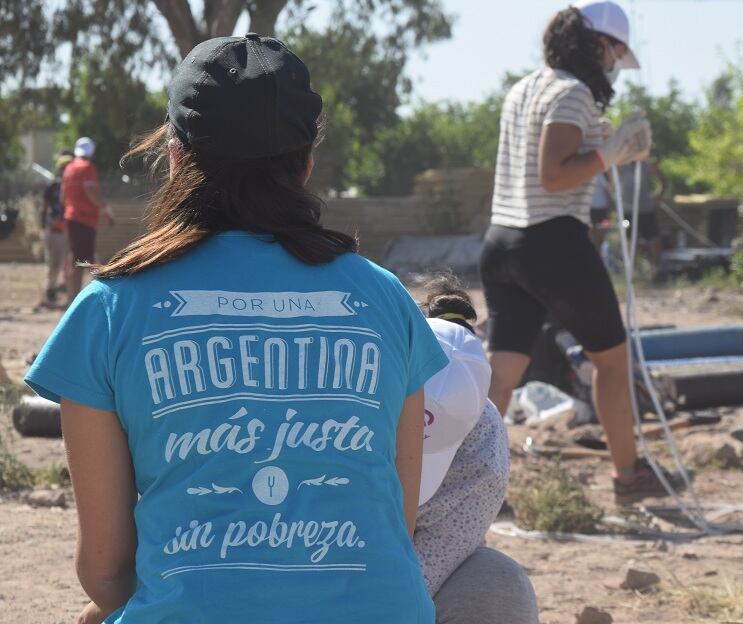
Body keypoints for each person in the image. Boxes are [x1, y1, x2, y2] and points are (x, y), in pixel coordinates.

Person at [25, 34, 447, 624]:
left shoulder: (109, 308)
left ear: (175, 157)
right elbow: (394, 527)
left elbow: (105, 569)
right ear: (305, 163)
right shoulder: (385, 300)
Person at [481, 0, 677, 505]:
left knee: (500, 377)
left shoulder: (523, 88)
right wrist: (610, 155)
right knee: (612, 363)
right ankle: (629, 478)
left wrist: (603, 147)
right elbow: (553, 173)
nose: (614, 65)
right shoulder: (572, 92)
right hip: (552, 241)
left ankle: (466, 486)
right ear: (597, 45)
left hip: (502, 240)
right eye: (614, 53)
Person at [416, 276, 539, 624]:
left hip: (400, 585)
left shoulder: (483, 452)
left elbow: (415, 580)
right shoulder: (339, 404)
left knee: (498, 583)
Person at [60, 135, 113, 304]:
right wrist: (104, 208)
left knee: (77, 258)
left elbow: (62, 196)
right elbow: (90, 193)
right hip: (84, 220)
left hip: (70, 218)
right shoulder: (87, 167)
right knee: (83, 261)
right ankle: (76, 299)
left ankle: (73, 296)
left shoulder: (69, 169)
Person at [591, 159, 668, 266]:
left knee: (654, 238)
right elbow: (611, 183)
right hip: (627, 211)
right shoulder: (620, 165)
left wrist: (659, 196)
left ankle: (657, 267)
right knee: (631, 241)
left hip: (646, 210)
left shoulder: (647, 165)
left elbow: (663, 179)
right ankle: (636, 268)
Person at [39, 150, 74, 306]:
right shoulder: (53, 186)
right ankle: (50, 290)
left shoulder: (73, 186)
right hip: (54, 229)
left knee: (66, 262)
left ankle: (59, 289)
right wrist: (44, 228)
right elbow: (45, 208)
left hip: (68, 228)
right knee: (54, 263)